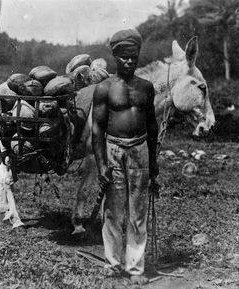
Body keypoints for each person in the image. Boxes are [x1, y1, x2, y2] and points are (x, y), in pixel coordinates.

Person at [92, 28, 159, 285]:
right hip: (113, 149)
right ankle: (112, 263)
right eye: (124, 57)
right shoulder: (105, 88)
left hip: (140, 150)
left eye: (134, 57)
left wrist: (153, 162)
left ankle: (135, 268)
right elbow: (98, 128)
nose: (129, 62)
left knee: (138, 211)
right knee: (113, 210)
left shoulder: (146, 87)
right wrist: (101, 165)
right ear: (115, 57)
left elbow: (152, 126)